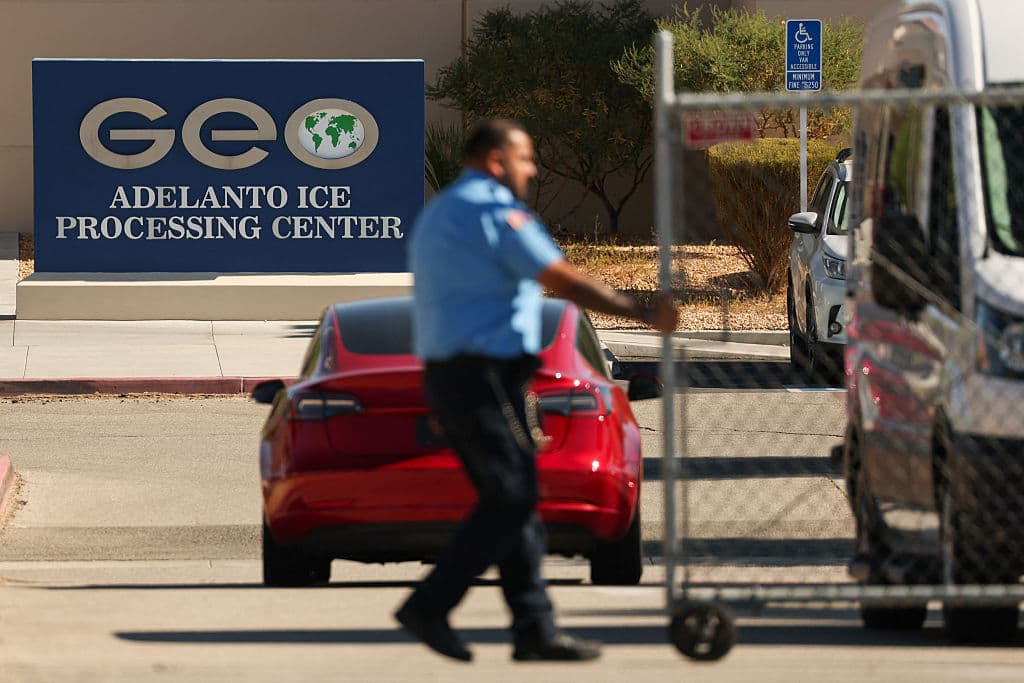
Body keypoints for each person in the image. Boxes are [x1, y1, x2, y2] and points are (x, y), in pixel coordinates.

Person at [396, 118, 678, 663]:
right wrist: (640, 309)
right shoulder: (492, 210)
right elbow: (562, 280)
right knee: (512, 497)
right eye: (526, 158)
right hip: (481, 375)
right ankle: (430, 604)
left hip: (471, 374)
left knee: (517, 503)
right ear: (497, 161)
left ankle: (534, 629)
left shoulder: (444, 211)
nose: (533, 169)